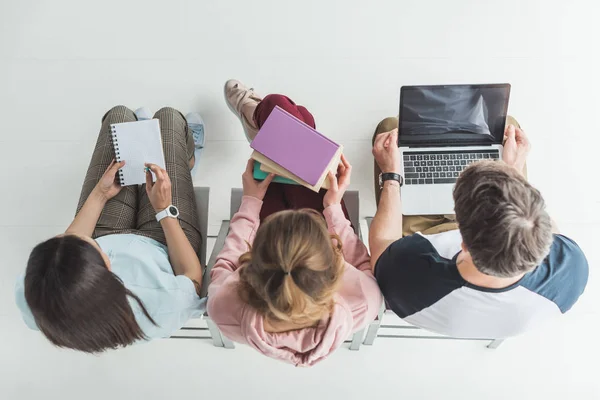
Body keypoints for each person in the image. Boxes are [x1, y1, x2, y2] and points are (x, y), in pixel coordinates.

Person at [206, 81, 383, 366]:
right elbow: (363, 266)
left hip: (290, 240)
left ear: (253, 258)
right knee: (291, 118)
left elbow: (225, 267)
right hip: (324, 218)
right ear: (333, 258)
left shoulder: (224, 310)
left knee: (281, 112)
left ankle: (260, 123)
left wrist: (251, 201)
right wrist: (331, 207)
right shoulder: (363, 302)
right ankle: (260, 122)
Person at [369, 117, 589, 339]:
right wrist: (513, 172)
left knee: (390, 127)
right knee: (507, 125)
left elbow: (384, 243)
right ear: (543, 243)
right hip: (478, 255)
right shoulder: (571, 271)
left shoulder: (409, 274)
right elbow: (536, 222)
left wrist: (391, 177)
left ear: (461, 241)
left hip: (428, 238)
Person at [15, 106, 207, 353]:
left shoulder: (34, 292)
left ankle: (148, 141)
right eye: (83, 242)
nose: (73, 235)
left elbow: (72, 243)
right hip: (166, 246)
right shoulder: (161, 306)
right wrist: (164, 210)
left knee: (119, 117)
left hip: (107, 233)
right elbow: (192, 275)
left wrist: (100, 194)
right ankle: (187, 160)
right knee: (169, 117)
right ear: (106, 265)